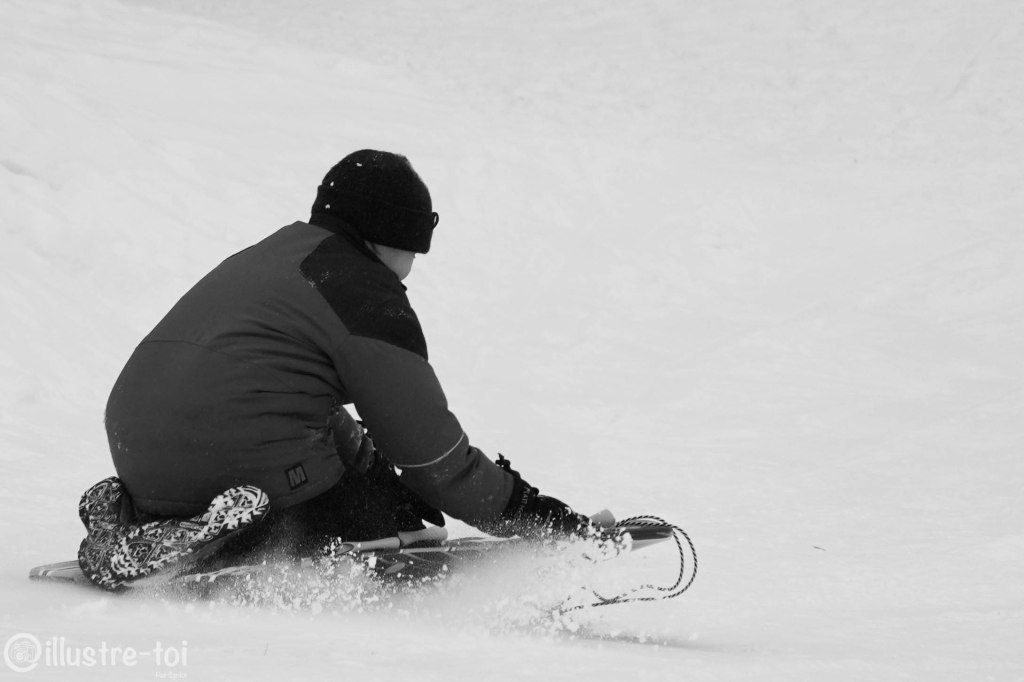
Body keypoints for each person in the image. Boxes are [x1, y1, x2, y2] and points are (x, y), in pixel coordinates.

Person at [78, 150, 595, 589]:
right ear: (399, 233)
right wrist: (532, 513)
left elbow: (279, 389)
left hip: (139, 453)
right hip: (239, 459)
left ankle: (156, 523)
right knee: (388, 516)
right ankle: (247, 537)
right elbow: (431, 454)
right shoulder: (364, 294)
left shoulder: (268, 257)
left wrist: (371, 466)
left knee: (320, 427)